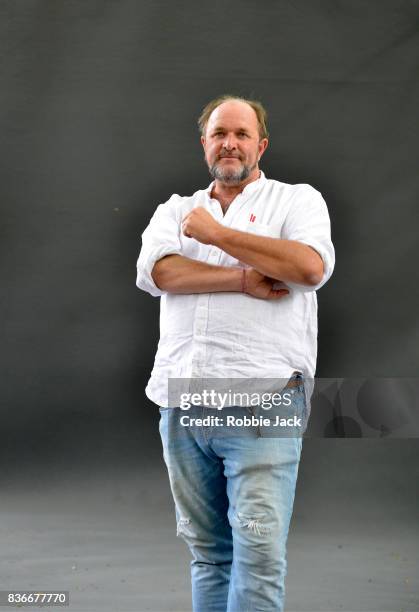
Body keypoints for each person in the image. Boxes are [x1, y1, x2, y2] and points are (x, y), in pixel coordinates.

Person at [136, 95, 335, 612]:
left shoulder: (297, 201)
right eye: (220, 133)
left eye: (242, 134)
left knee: (260, 555)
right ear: (205, 144)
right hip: (182, 402)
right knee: (208, 555)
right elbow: (161, 273)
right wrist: (245, 278)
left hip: (264, 402)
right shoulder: (174, 210)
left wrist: (218, 234)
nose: (231, 142)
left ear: (261, 145)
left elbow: (309, 268)